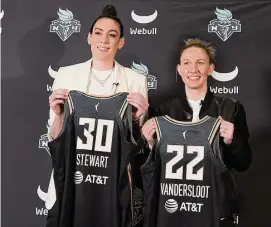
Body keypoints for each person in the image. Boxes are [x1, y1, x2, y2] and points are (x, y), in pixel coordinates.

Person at [46, 4, 148, 227]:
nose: (104, 40)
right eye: (99, 33)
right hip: (73, 184)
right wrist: (58, 114)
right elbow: (54, 138)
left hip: (112, 189)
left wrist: (137, 120)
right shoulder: (66, 75)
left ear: (120, 42)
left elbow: (137, 145)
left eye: (112, 35)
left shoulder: (135, 81)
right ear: (89, 37)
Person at [141, 38, 252, 227]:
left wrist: (232, 140)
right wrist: (149, 143)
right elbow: (147, 169)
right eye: (187, 63)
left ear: (210, 68)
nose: (193, 69)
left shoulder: (230, 108)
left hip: (214, 209)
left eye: (200, 63)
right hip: (171, 208)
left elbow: (243, 163)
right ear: (179, 69)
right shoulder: (162, 111)